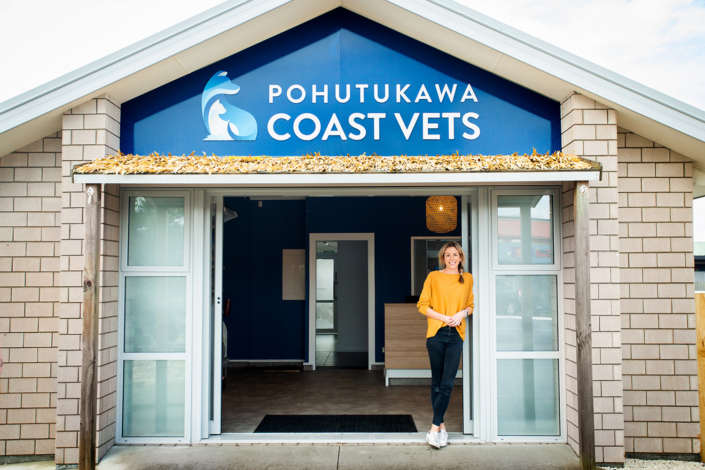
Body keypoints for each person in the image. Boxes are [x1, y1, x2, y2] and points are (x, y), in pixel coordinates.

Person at [417, 241, 474, 449]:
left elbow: (470, 304)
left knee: (448, 383)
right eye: (448, 255)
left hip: (456, 335)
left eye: (455, 255)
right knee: (437, 382)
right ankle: (441, 427)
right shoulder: (433, 277)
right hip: (437, 334)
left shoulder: (467, 278)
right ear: (443, 258)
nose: (451, 259)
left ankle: (434, 428)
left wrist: (461, 314)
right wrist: (445, 317)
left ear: (461, 258)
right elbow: (422, 305)